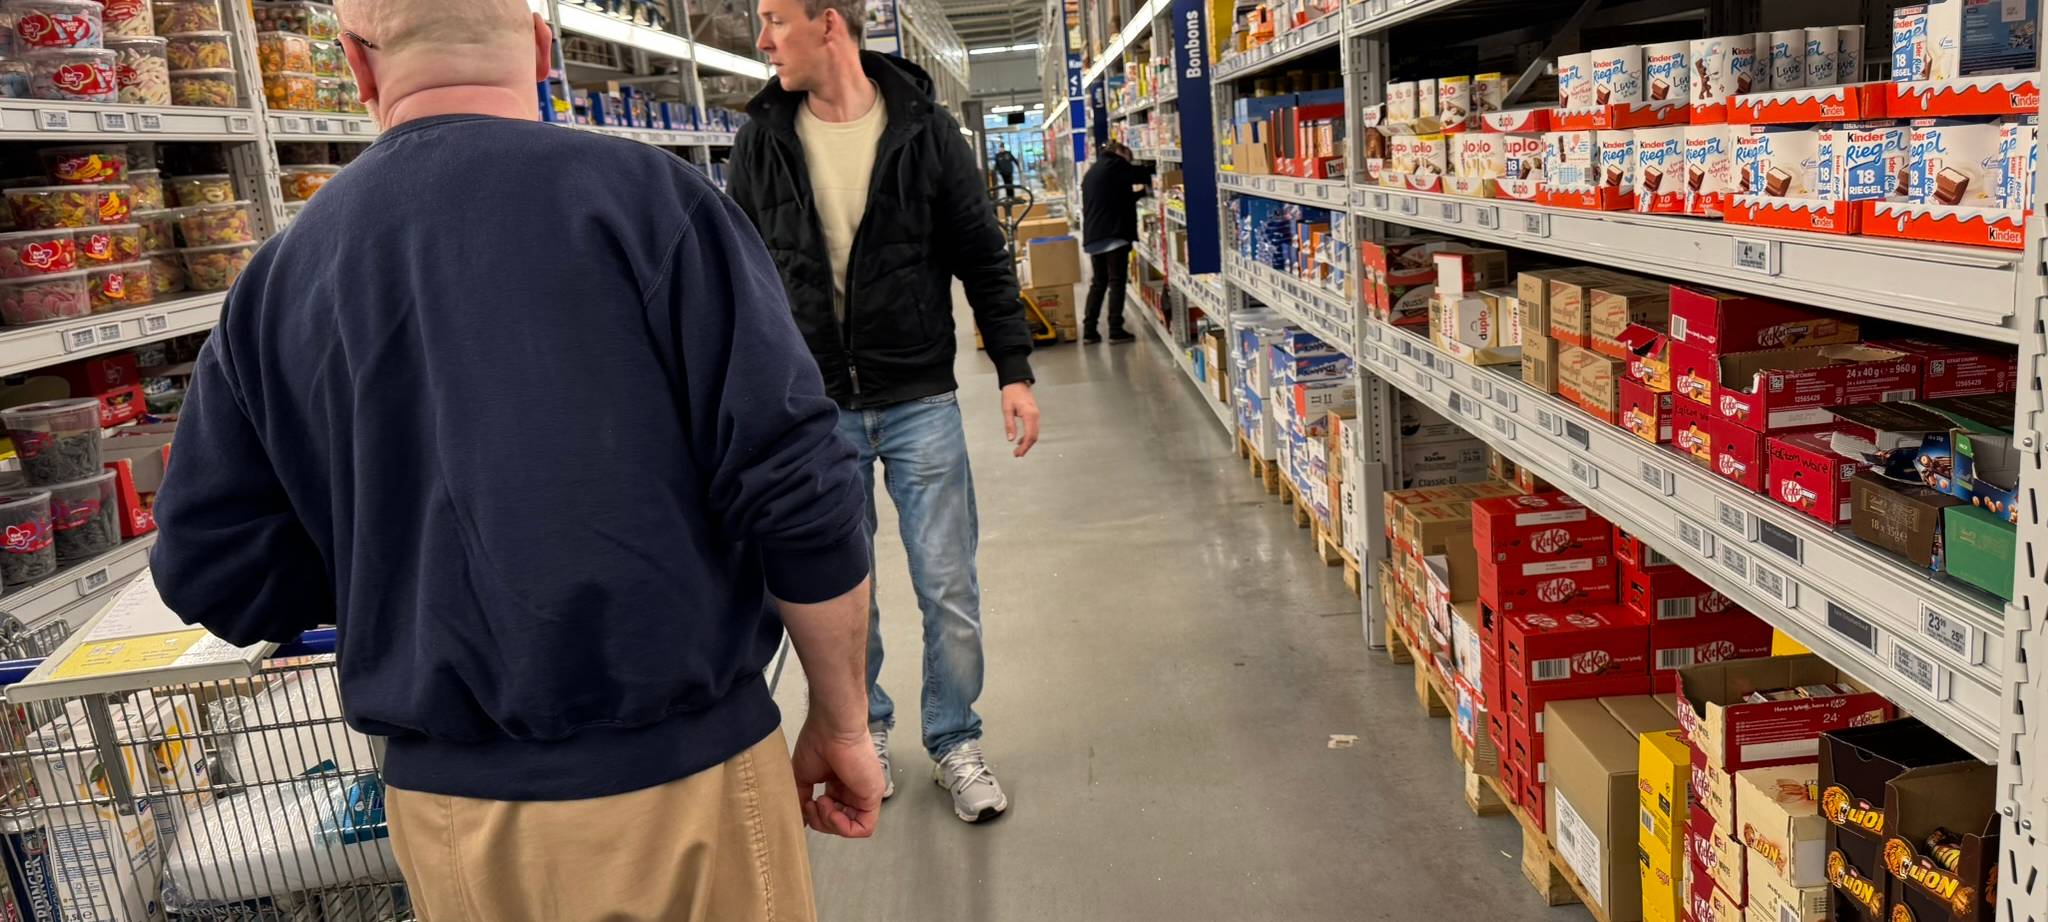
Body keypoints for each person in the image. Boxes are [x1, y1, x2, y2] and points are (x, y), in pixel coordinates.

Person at [150, 1, 884, 919]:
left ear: (359, 66)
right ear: (542, 49)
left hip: (451, 816)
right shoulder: (654, 204)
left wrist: (400, 577)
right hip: (681, 781)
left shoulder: (281, 276)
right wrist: (843, 721)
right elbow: (799, 488)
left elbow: (209, 565)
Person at [727, 0, 1038, 824]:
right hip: (814, 406)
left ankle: (955, 740)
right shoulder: (762, 139)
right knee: (841, 591)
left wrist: (1013, 371)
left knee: (949, 586)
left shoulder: (925, 130)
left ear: (829, 23)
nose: (763, 40)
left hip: (919, 397)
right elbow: (740, 278)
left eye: (774, 20)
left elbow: (982, 254)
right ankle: (861, 731)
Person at [1079, 141, 1154, 343]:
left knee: (1098, 283)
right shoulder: (1115, 164)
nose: (1129, 163)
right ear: (1120, 152)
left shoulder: (1095, 169)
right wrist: (1154, 168)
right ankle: (1115, 329)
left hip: (1095, 235)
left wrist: (1140, 194)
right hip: (1113, 235)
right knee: (1117, 282)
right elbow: (1142, 174)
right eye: (1129, 158)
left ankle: (1089, 330)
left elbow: (1116, 198)